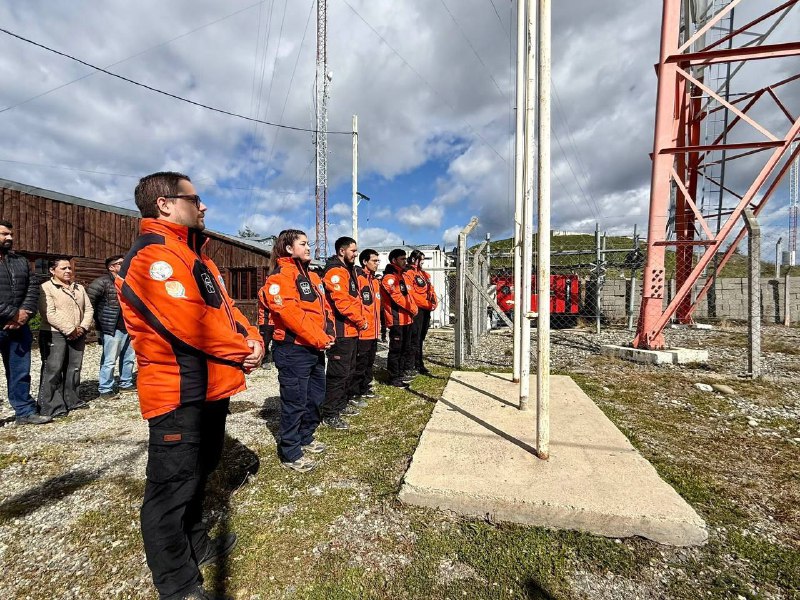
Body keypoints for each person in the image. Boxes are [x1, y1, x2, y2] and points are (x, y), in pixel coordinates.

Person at [116, 171, 264, 600]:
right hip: (178, 393)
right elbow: (190, 325)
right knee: (170, 489)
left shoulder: (197, 258)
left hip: (210, 389)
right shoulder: (152, 258)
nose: (203, 206)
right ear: (164, 204)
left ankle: (196, 545)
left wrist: (251, 337)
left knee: (198, 473)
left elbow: (227, 310)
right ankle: (177, 584)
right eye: (195, 198)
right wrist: (242, 348)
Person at [262, 229, 334, 472]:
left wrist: (329, 333)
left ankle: (306, 435)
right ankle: (290, 450)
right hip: (293, 349)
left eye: (308, 243)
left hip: (315, 347)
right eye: (303, 244)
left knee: (315, 396)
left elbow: (325, 310)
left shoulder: (313, 277)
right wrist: (319, 338)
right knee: (295, 400)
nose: (308, 248)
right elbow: (291, 315)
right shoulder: (280, 277)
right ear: (289, 248)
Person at [0, 220, 51, 425]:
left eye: (10, 234)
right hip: (7, 320)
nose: (9, 238)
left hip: (19, 327)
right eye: (4, 234)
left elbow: (33, 286)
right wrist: (12, 313)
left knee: (20, 371)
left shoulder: (19, 260)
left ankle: (24, 411)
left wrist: (24, 313)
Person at [319, 236, 368, 430]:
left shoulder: (347, 271)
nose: (355, 254)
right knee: (338, 373)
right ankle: (330, 413)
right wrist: (361, 320)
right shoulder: (335, 272)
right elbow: (342, 303)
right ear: (342, 251)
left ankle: (341, 404)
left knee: (349, 370)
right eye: (353, 251)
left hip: (351, 330)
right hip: (341, 331)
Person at [37, 257, 94, 417]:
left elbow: (89, 309)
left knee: (74, 368)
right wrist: (69, 329)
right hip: (54, 333)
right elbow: (48, 312)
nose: (68, 271)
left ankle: (72, 400)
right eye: (63, 268)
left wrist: (82, 327)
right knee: (53, 369)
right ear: (52, 270)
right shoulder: (46, 287)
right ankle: (51, 406)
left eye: (69, 268)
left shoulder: (79, 288)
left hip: (78, 333)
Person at [87, 254, 136, 399]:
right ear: (111, 267)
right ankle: (105, 388)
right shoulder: (102, 282)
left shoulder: (128, 281)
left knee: (129, 358)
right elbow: (89, 303)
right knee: (109, 360)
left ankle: (125, 383)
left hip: (129, 326)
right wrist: (97, 322)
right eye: (120, 263)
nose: (124, 265)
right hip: (111, 327)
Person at [347, 249, 381, 403]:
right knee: (359, 364)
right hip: (363, 331)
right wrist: (362, 322)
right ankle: (354, 392)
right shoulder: (358, 279)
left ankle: (364, 387)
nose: (377, 263)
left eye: (378, 260)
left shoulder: (374, 281)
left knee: (369, 361)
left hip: (374, 331)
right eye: (374, 261)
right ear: (365, 262)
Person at [381, 249, 418, 387]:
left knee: (405, 348)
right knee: (396, 350)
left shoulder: (401, 276)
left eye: (405, 258)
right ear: (394, 260)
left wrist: (413, 308)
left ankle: (400, 373)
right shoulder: (389, 277)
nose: (405, 261)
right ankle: (393, 377)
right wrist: (412, 308)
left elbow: (408, 296)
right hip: (397, 320)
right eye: (402, 259)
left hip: (406, 319)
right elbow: (397, 297)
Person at [404, 249, 438, 376]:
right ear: (414, 259)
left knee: (421, 338)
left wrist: (434, 302)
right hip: (416, 310)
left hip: (426, 310)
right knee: (414, 338)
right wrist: (427, 304)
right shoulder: (408, 273)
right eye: (421, 260)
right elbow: (411, 294)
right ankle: (410, 364)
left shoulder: (424, 274)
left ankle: (419, 363)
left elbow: (431, 290)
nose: (422, 263)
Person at [256, 284, 274, 368]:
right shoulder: (263, 290)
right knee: (265, 342)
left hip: (276, 320)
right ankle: (264, 361)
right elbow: (268, 304)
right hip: (265, 320)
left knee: (277, 342)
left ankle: (274, 358)